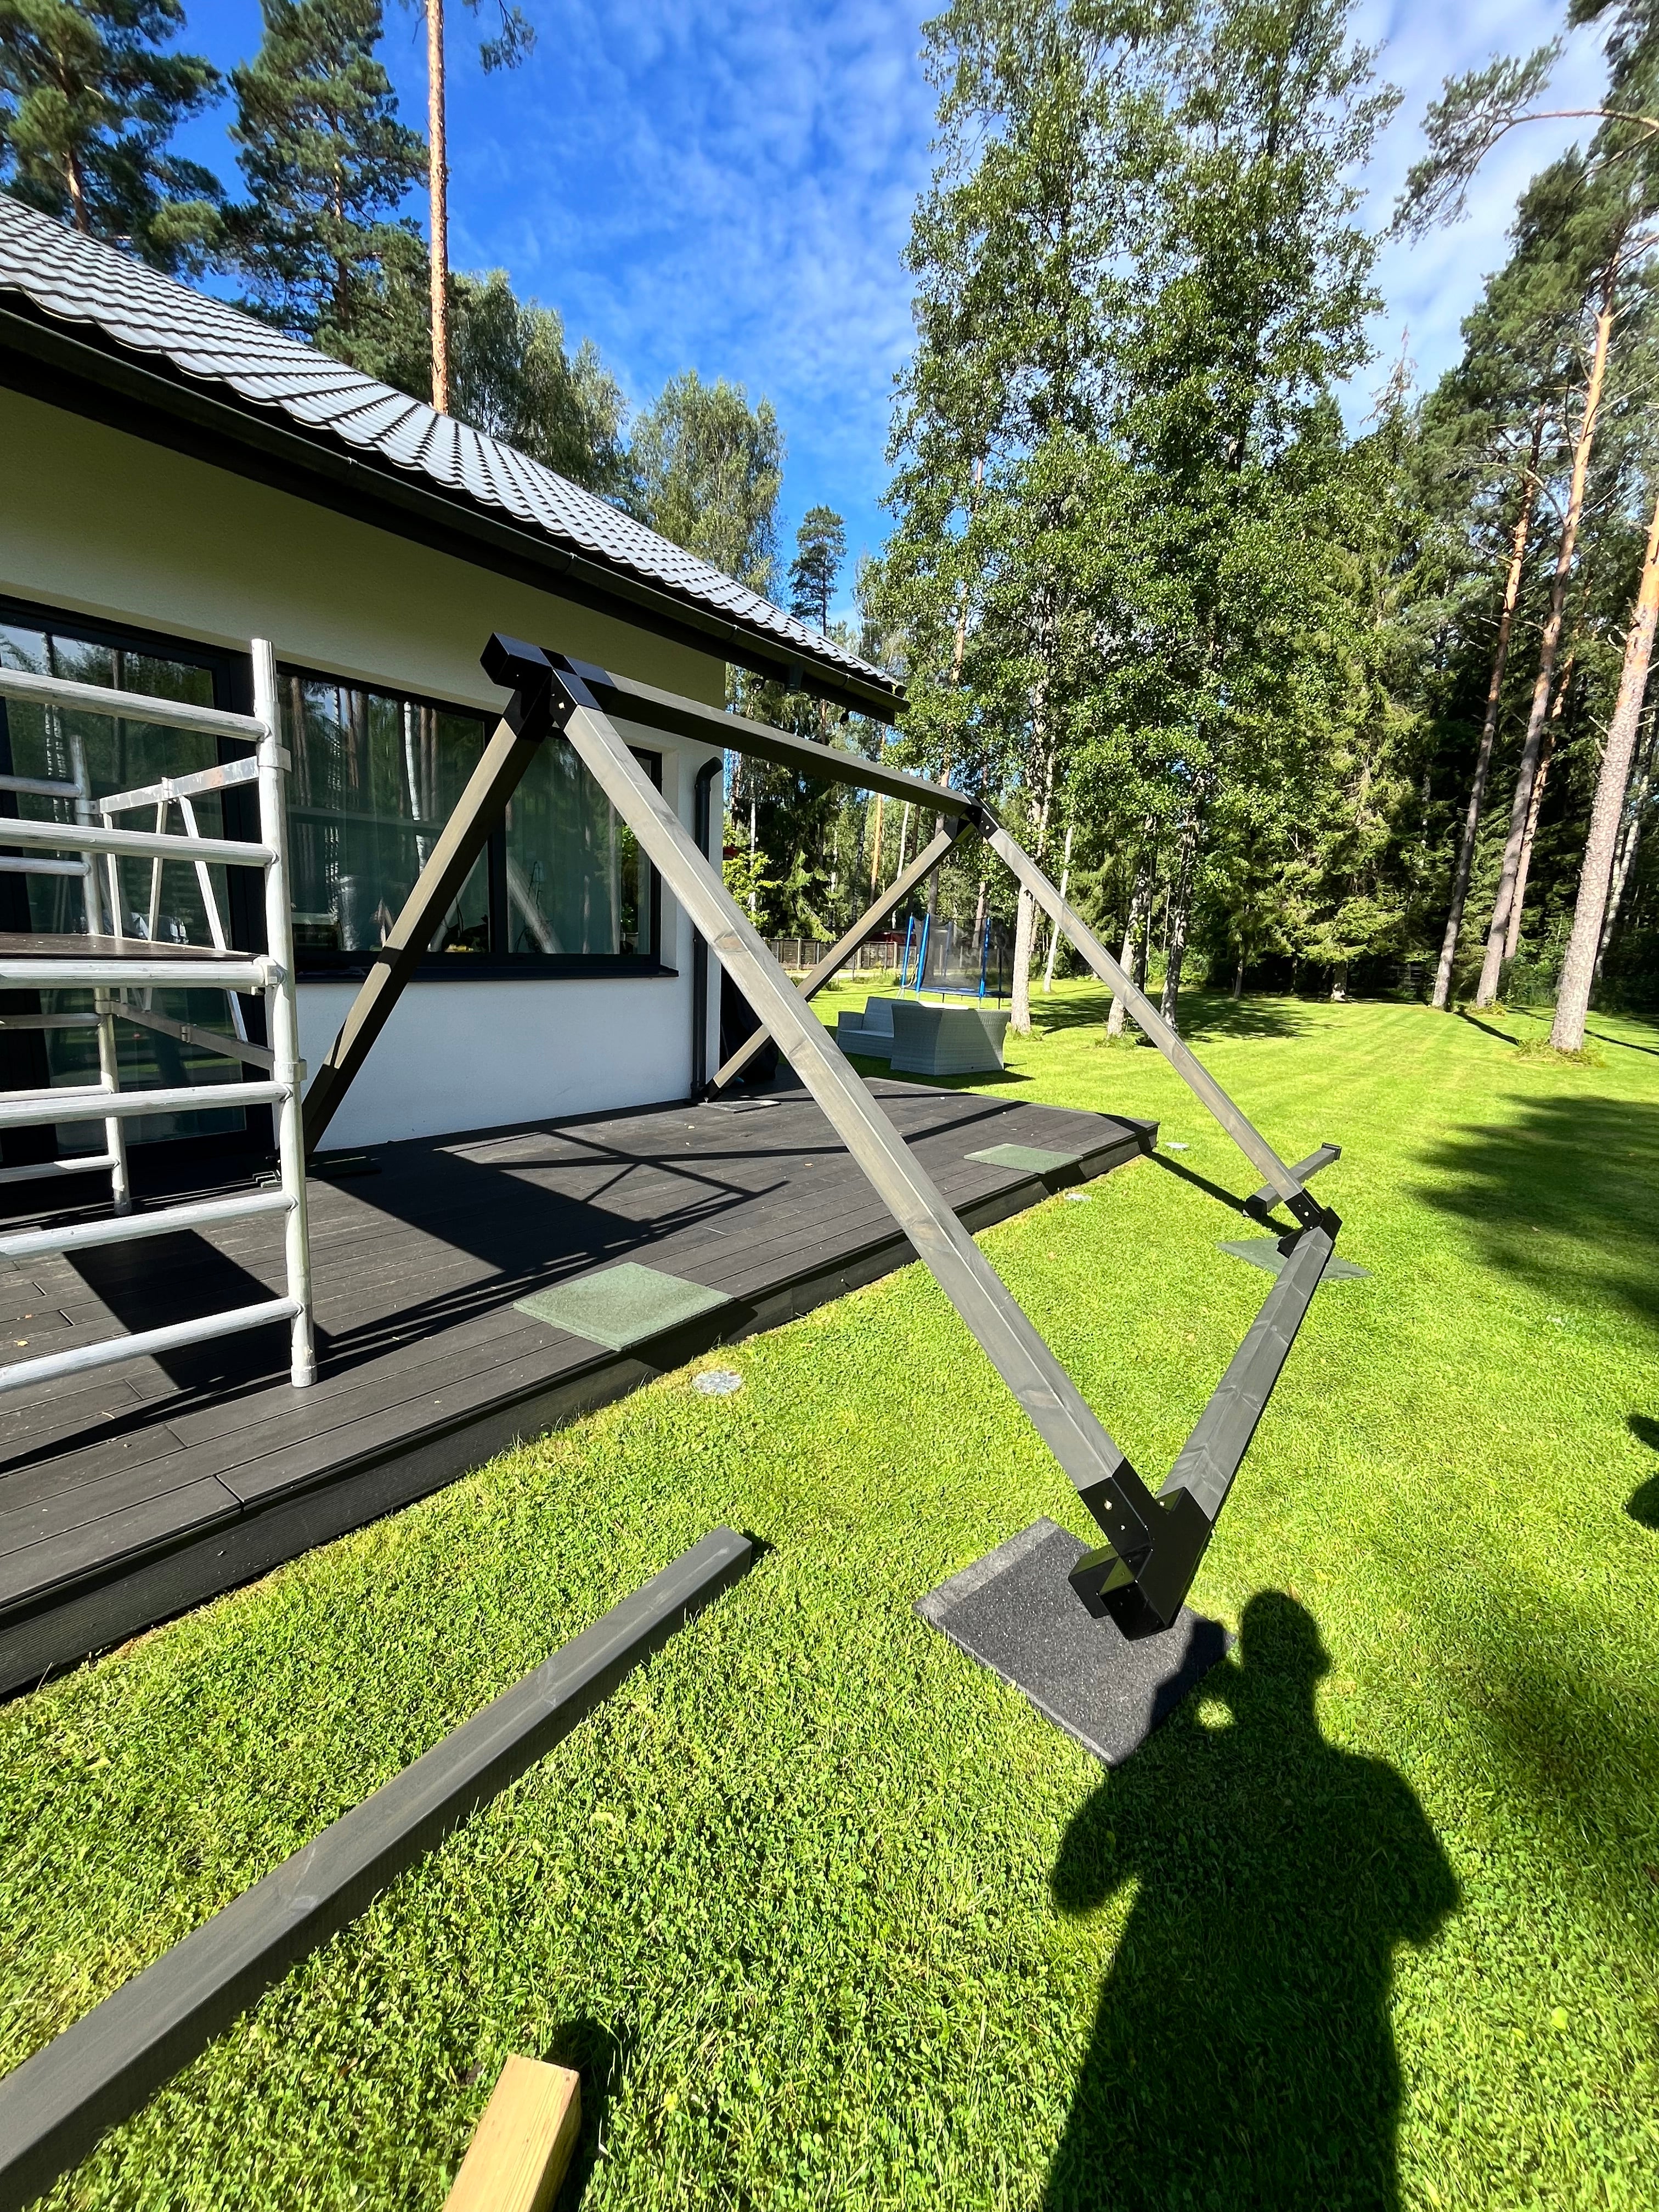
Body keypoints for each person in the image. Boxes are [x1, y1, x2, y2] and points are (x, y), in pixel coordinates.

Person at [1045, 1593, 1458, 2210]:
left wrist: (1182, 1703)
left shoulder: (1358, 1783)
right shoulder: (1373, 1786)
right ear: (1316, 1667)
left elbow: (1075, 1888)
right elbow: (1427, 1912)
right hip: (1342, 2076)